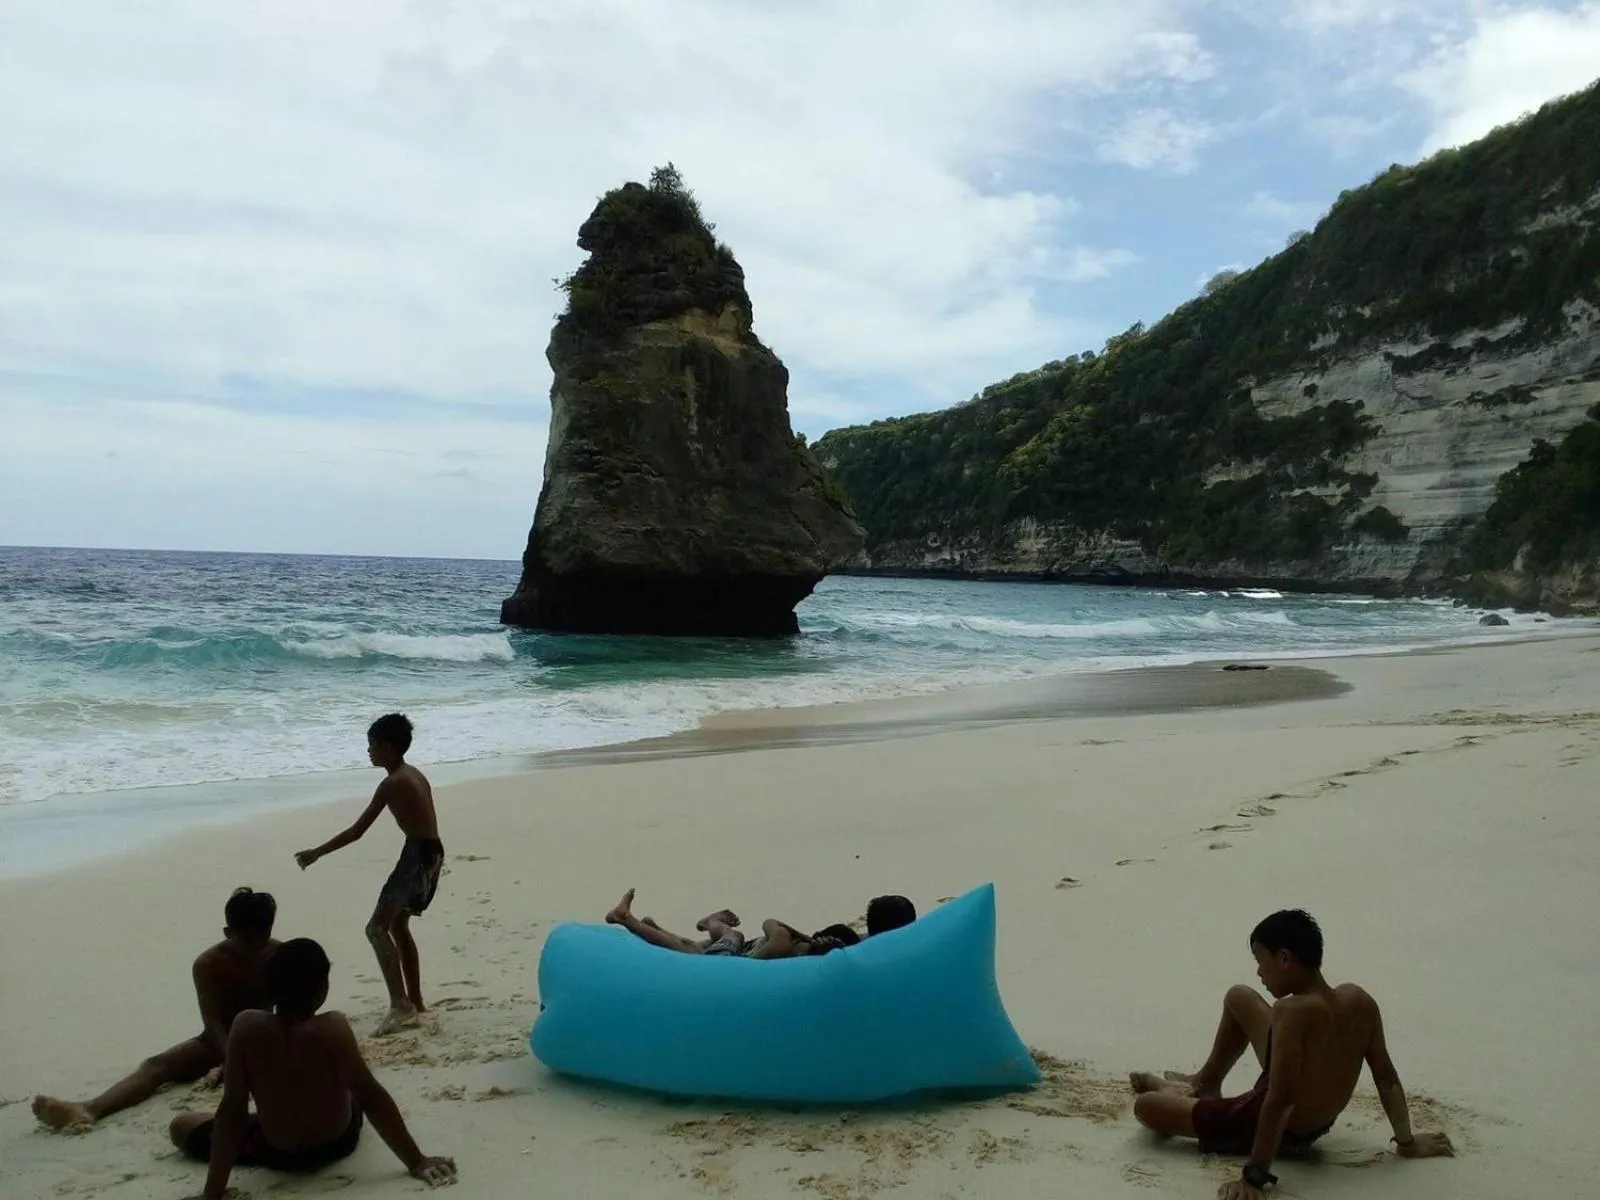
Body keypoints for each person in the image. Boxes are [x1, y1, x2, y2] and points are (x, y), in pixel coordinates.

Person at [1128, 909, 1455, 1198]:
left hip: (1279, 1128)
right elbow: (1386, 1078)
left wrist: (1254, 1177)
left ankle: (1174, 1094)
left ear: (1284, 959)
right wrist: (1408, 1143)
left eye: (1260, 962)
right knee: (1239, 996)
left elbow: (1280, 1099)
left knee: (1147, 1107)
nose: (1259, 973)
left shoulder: (1291, 1012)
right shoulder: (1359, 1001)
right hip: (1311, 1111)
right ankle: (1206, 1083)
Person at [169, 937, 457, 1197]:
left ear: (269, 989)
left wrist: (213, 1193)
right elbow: (371, 1097)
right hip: (335, 1143)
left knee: (180, 1126)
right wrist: (416, 1160)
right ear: (322, 988)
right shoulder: (332, 1028)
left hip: (278, 1149)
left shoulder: (246, 1027)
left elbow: (232, 1109)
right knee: (356, 1086)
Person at [32, 887, 279, 1132]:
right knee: (156, 1065)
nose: (255, 945)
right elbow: (212, 1024)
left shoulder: (280, 955)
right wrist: (232, 1058)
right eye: (246, 939)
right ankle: (88, 1108)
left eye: (262, 935)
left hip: (268, 1036)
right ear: (227, 933)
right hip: (220, 1041)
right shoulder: (208, 964)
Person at [295, 713, 442, 1035]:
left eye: (372, 745)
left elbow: (357, 831)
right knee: (399, 927)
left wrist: (316, 852)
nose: (369, 752)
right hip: (432, 852)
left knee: (376, 929)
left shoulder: (393, 783)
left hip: (417, 855)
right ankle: (415, 1000)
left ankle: (400, 1005)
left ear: (388, 747)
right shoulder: (413, 773)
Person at [604, 890, 917, 959]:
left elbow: (774, 927)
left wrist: (795, 933)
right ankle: (652, 929)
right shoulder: (862, 946)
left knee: (707, 945)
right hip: (747, 958)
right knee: (698, 945)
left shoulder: (786, 944)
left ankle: (627, 920)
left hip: (737, 964)